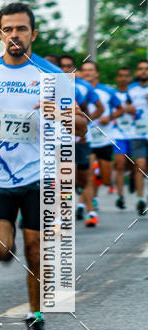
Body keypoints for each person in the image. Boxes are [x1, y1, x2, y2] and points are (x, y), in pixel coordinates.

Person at [0, 2, 80, 330]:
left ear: (34, 33)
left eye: (21, 29)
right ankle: (6, 242)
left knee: (37, 249)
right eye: (8, 29)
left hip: (40, 174)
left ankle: (36, 314)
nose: (14, 35)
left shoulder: (54, 76)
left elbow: (82, 127)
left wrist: (62, 114)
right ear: (0, 33)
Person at [58, 55, 103, 222]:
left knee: (84, 179)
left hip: (80, 141)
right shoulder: (46, 87)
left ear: (73, 69)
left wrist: (83, 128)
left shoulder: (81, 88)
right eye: (62, 66)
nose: (65, 70)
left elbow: (90, 110)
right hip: (59, 142)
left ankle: (90, 211)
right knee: (66, 179)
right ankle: (66, 213)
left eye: (69, 66)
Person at [80, 60, 121, 227]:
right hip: (86, 139)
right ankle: (88, 207)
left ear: (96, 73)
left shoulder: (107, 91)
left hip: (104, 137)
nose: (87, 73)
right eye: (84, 70)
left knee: (105, 179)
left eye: (90, 70)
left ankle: (94, 192)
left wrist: (109, 117)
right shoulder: (78, 89)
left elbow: (120, 109)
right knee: (88, 176)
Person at [110, 66, 136, 209]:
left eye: (126, 76)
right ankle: (120, 196)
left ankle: (132, 176)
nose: (124, 78)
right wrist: (121, 111)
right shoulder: (113, 94)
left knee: (136, 165)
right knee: (120, 165)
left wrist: (133, 110)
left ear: (130, 78)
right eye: (121, 76)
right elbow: (109, 113)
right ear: (117, 78)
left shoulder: (135, 93)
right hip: (118, 134)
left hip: (135, 133)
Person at [127, 59, 148, 216]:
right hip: (137, 132)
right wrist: (129, 108)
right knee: (140, 165)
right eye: (141, 68)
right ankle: (140, 199)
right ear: (137, 72)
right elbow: (125, 106)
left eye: (146, 68)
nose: (143, 71)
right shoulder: (131, 88)